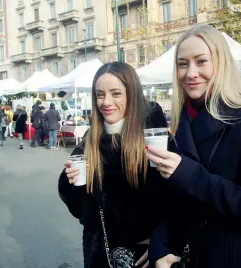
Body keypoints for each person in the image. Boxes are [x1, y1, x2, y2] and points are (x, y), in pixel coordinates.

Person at [147, 25, 241, 268]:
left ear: (221, 63)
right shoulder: (182, 121)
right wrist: (159, 245)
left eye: (201, 61)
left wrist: (189, 175)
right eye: (183, 64)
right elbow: (178, 202)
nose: (191, 72)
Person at [58, 62, 169, 268]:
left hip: (148, 255)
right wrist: (70, 181)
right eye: (100, 95)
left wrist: (164, 242)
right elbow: (81, 210)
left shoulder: (156, 137)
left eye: (116, 93)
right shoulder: (91, 140)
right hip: (101, 254)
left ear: (132, 94)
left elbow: (178, 200)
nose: (106, 102)